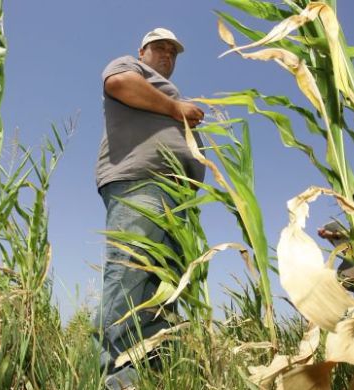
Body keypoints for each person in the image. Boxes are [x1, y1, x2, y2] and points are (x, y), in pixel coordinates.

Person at [94, 28, 205, 389]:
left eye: (173, 52)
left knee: (163, 288)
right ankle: (117, 380)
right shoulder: (129, 67)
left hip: (175, 198)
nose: (167, 56)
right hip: (141, 184)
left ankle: (153, 375)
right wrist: (176, 108)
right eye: (160, 48)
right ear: (142, 51)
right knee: (131, 276)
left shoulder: (165, 89)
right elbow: (118, 83)